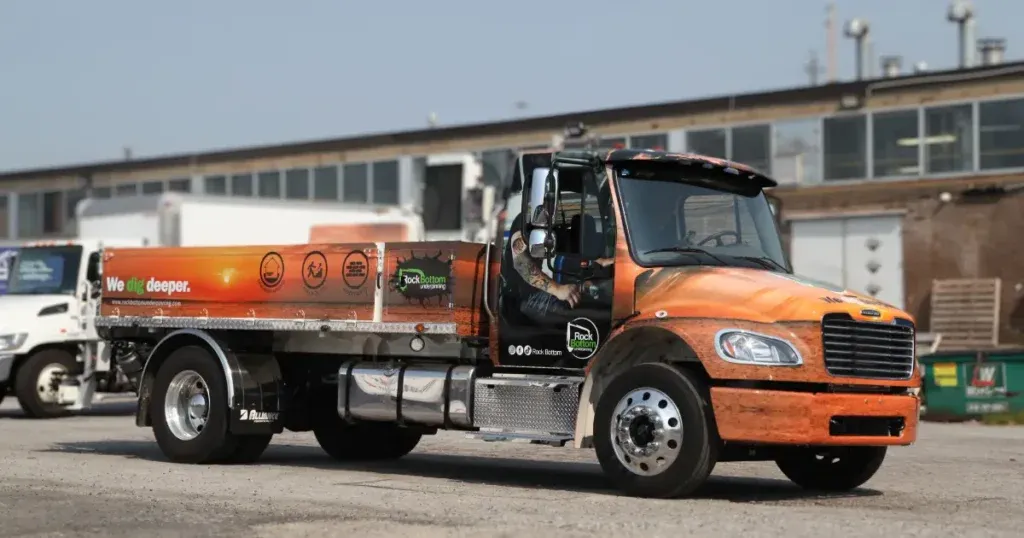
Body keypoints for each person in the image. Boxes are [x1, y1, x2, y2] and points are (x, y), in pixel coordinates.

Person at [504, 212, 613, 325]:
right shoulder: (526, 219)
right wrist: (558, 289)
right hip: (520, 298)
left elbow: (569, 246)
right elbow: (521, 263)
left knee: (587, 300)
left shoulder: (544, 222)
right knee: (582, 312)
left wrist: (601, 261)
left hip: (535, 292)